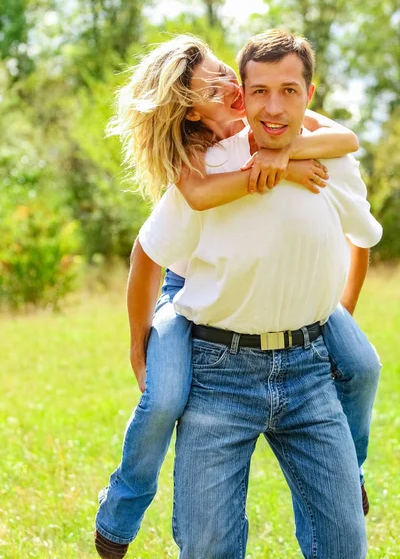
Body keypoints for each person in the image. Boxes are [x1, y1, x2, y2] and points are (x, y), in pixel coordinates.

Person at [94, 34, 381, 558]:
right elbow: (154, 249)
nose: (233, 88)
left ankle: (352, 471)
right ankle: (120, 513)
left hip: (307, 361)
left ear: (307, 93)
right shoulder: (201, 167)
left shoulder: (311, 141)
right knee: (163, 402)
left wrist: (287, 153)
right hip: (213, 351)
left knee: (364, 368)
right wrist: (138, 343)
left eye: (227, 74)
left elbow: (350, 162)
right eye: (219, 87)